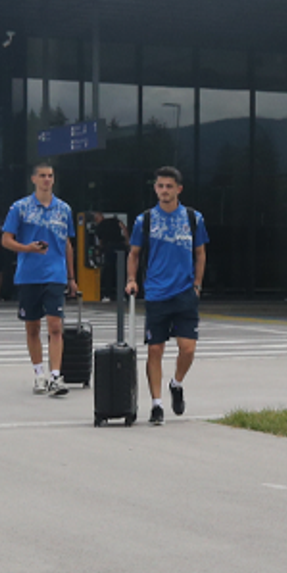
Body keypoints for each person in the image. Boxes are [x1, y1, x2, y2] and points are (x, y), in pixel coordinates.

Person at [125, 166, 209, 426]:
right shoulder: (145, 220)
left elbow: (200, 253)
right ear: (155, 188)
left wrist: (197, 285)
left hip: (184, 292)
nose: (164, 190)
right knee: (155, 349)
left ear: (178, 189)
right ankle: (157, 404)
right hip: (156, 293)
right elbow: (134, 254)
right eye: (160, 186)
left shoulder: (193, 218)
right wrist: (131, 280)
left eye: (169, 186)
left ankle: (176, 383)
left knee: (188, 348)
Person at [1, 162, 79, 397]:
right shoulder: (20, 208)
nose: (47, 179)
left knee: (55, 325)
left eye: (50, 176)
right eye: (42, 175)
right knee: (32, 326)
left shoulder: (63, 209)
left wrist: (71, 277)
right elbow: (6, 239)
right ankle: (39, 374)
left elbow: (67, 243)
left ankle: (56, 376)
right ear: (33, 179)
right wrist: (27, 248)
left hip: (55, 273)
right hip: (29, 274)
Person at [93, 211, 129, 302]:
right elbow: (124, 229)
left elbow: (100, 241)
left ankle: (107, 295)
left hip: (109, 248)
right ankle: (122, 295)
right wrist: (127, 242)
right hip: (121, 247)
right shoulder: (114, 220)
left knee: (109, 272)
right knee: (121, 271)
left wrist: (99, 251)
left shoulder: (99, 227)